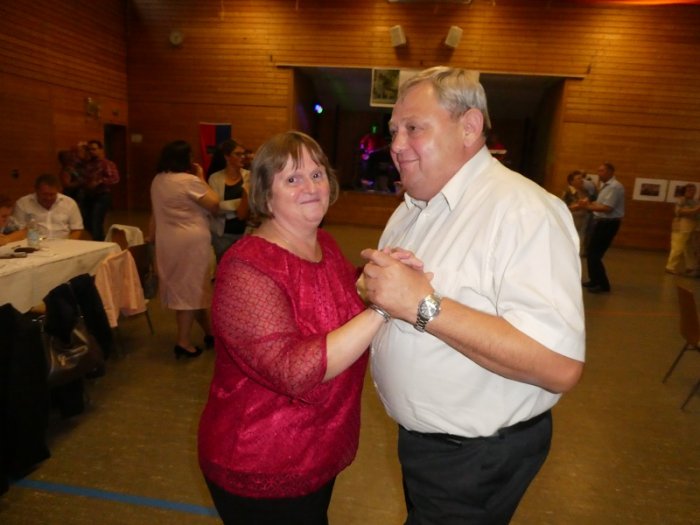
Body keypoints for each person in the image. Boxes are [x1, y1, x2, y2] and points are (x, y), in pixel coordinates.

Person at [360, 66, 586, 525]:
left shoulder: (523, 211)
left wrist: (422, 305)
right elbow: (400, 299)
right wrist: (377, 291)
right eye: (394, 130)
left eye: (413, 128)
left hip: (475, 458)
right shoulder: (411, 210)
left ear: (469, 127)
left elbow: (559, 365)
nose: (396, 145)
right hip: (430, 446)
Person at [198, 131, 411, 525]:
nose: (311, 187)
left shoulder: (324, 244)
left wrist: (380, 275)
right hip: (261, 461)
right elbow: (292, 370)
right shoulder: (247, 268)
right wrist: (385, 307)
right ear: (265, 196)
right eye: (292, 179)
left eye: (317, 174)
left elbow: (340, 301)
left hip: (315, 449)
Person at [150, 140, 219, 358]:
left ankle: (210, 333)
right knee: (190, 290)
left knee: (191, 288)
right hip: (190, 241)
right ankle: (183, 342)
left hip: (168, 240)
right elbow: (214, 204)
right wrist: (201, 177)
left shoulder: (158, 180)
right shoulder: (189, 181)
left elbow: (155, 213)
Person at [582, 161, 625, 293]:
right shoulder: (605, 186)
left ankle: (603, 284)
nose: (599, 173)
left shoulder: (614, 187)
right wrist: (589, 204)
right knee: (591, 252)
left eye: (602, 171)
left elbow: (607, 208)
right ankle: (594, 280)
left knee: (595, 254)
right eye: (598, 171)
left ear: (610, 172)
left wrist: (587, 207)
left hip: (608, 223)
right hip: (601, 222)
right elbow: (600, 203)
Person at [207, 139, 250, 262]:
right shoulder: (215, 178)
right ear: (227, 157)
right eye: (238, 154)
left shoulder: (249, 176)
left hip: (245, 234)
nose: (242, 157)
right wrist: (240, 204)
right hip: (222, 235)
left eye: (244, 154)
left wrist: (229, 208)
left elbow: (254, 205)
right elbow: (214, 207)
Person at [11, 174, 83, 240]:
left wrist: (69, 245)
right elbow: (18, 230)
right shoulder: (23, 203)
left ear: (58, 191)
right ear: (36, 190)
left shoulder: (69, 203)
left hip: (63, 244)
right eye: (44, 194)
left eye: (52, 194)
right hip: (34, 244)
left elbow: (76, 229)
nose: (48, 198)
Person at [82, 139, 120, 241]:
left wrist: (99, 181)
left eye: (94, 149)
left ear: (100, 150)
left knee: (96, 222)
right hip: (88, 196)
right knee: (87, 222)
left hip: (101, 195)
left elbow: (115, 178)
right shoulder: (88, 164)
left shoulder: (107, 164)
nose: (91, 152)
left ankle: (100, 242)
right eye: (89, 149)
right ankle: (97, 240)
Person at [665, 183, 700, 275]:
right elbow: (680, 212)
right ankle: (670, 267)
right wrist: (695, 210)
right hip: (681, 225)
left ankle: (690, 267)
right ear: (684, 191)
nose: (692, 192)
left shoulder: (696, 201)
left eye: (694, 190)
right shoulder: (681, 200)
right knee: (678, 247)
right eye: (689, 190)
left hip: (693, 225)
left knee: (689, 247)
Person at [561, 169, 593, 255]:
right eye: (578, 178)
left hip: (583, 220)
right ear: (572, 181)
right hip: (573, 219)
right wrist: (576, 206)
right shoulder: (568, 192)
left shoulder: (585, 191)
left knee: (581, 240)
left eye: (582, 178)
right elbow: (563, 207)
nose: (582, 180)